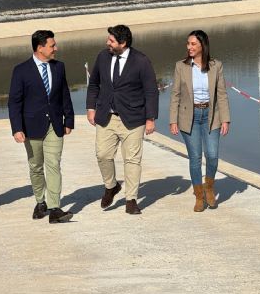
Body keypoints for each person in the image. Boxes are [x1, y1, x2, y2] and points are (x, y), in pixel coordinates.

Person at [86, 25, 159, 215]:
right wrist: (90, 108)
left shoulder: (141, 61)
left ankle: (131, 200)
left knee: (132, 160)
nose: (107, 43)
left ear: (123, 43)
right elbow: (93, 84)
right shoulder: (103, 57)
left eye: (111, 40)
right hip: (106, 117)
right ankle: (111, 186)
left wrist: (150, 118)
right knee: (102, 154)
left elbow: (151, 91)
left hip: (134, 118)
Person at [8, 30, 75, 224]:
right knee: (36, 166)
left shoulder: (59, 67)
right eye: (52, 45)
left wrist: (68, 120)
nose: (56, 48)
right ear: (40, 48)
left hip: (55, 125)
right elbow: (14, 102)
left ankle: (55, 208)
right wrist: (17, 128)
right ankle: (40, 202)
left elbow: (64, 94)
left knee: (53, 164)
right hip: (31, 126)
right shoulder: (21, 70)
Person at [169, 30, 230, 212]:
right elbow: (175, 95)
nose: (189, 47)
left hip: (212, 116)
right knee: (195, 158)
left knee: (212, 155)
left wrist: (226, 119)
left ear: (203, 45)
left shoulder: (216, 65)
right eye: (188, 44)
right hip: (189, 117)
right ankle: (199, 196)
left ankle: (209, 186)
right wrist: (173, 120)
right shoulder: (181, 66)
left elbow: (222, 94)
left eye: (193, 44)